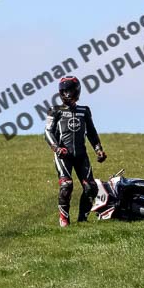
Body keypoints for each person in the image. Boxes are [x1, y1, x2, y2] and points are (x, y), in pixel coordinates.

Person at [45, 76, 107, 227]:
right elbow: (47, 132)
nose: (67, 94)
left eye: (69, 90)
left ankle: (82, 220)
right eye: (64, 91)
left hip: (81, 155)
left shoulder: (84, 111)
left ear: (76, 91)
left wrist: (98, 149)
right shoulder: (55, 110)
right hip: (63, 156)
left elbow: (91, 132)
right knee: (66, 185)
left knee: (90, 187)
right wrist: (56, 148)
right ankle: (64, 219)